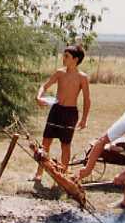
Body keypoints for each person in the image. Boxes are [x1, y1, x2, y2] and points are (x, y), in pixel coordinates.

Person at [31, 45, 91, 182]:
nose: (63, 59)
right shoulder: (59, 73)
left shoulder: (82, 77)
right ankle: (39, 173)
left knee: (65, 145)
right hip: (56, 110)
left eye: (66, 56)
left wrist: (84, 119)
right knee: (45, 143)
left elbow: (87, 100)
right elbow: (44, 86)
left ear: (75, 59)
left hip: (70, 113)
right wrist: (38, 96)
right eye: (63, 55)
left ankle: (63, 176)